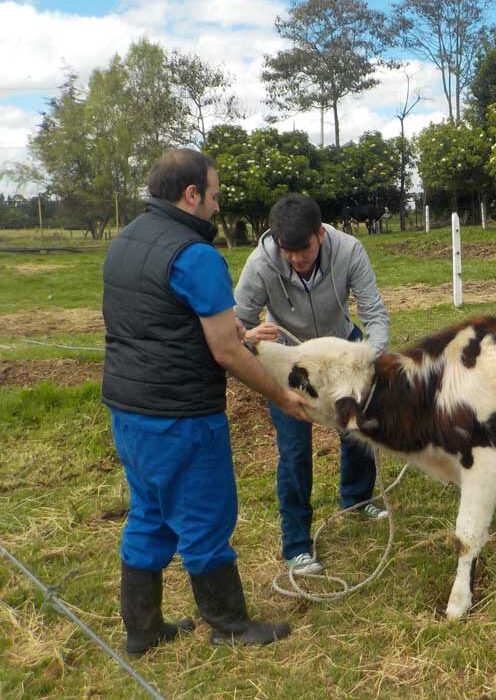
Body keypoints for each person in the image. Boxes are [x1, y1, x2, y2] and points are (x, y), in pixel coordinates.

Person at [102, 148, 311, 654]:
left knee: (148, 513)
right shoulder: (194, 255)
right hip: (181, 418)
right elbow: (226, 353)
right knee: (205, 518)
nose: (217, 207)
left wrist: (235, 327)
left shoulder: (125, 241)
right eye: (214, 196)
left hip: (128, 412)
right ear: (191, 194)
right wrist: (282, 394)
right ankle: (229, 624)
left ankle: (142, 629)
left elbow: (163, 318)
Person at [234, 193, 390, 577]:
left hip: (342, 350)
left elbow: (373, 312)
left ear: (320, 234)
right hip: (292, 364)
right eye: (287, 251)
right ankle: (297, 544)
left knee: (355, 431)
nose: (296, 259)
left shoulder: (350, 250)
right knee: (294, 450)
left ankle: (356, 499)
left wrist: (372, 359)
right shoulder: (261, 263)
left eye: (302, 249)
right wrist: (251, 332)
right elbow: (235, 321)